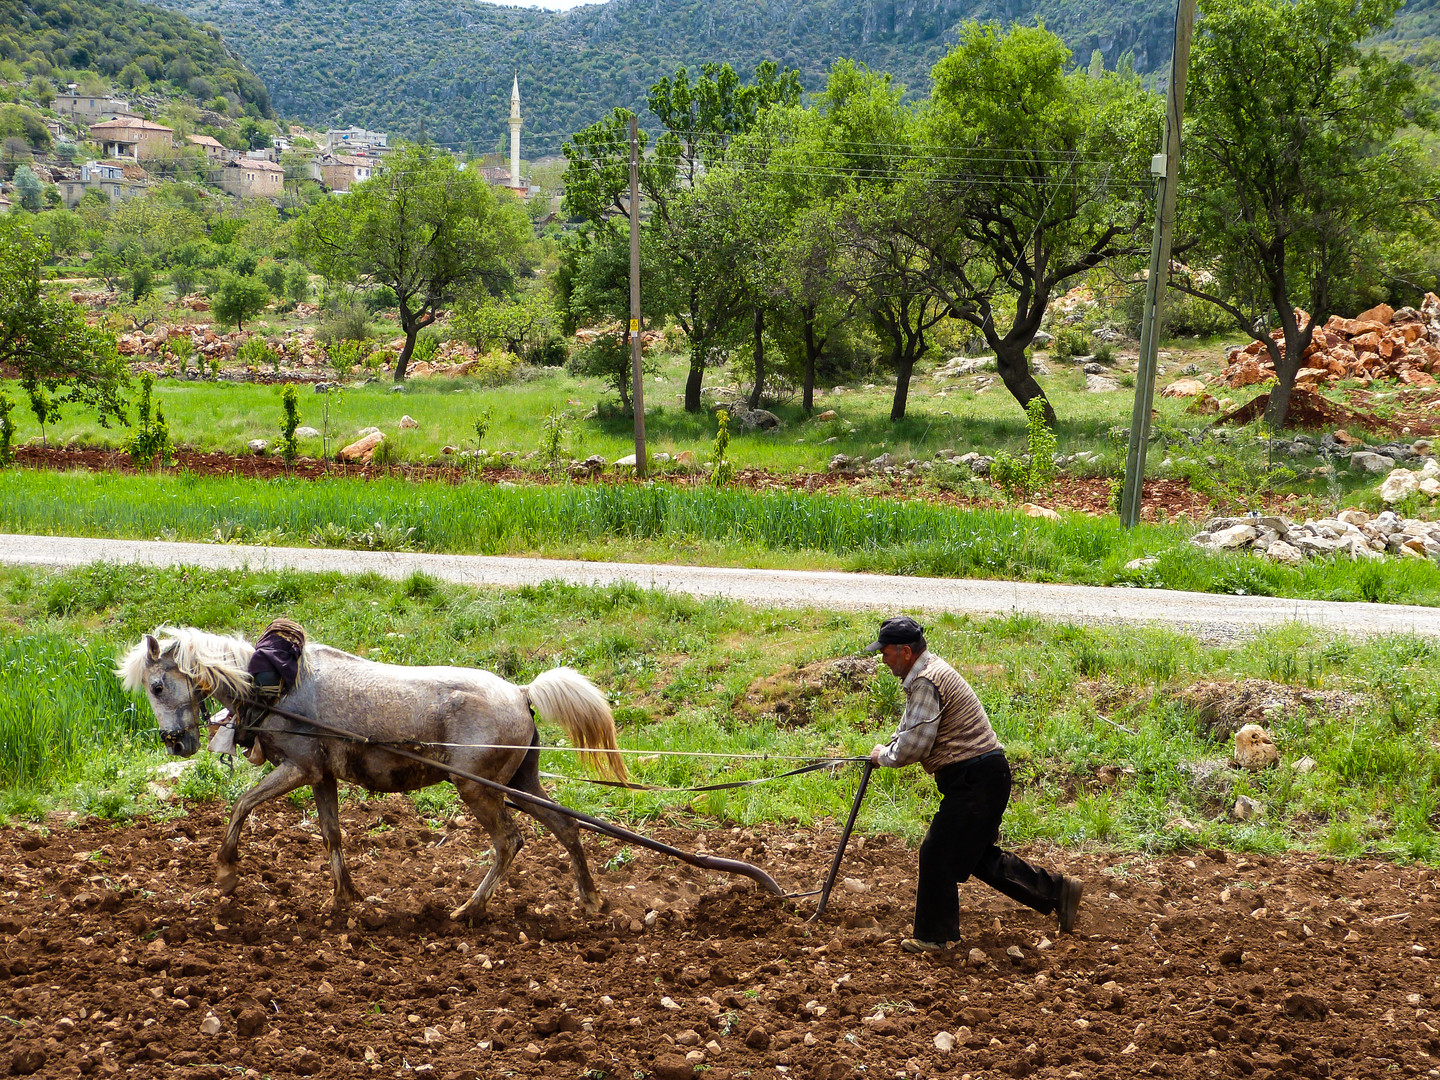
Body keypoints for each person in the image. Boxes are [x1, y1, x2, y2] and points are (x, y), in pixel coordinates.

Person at [865, 616, 1082, 952]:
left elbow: (916, 743)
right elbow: (909, 730)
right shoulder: (926, 673)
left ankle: (937, 937)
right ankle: (1056, 891)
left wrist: (885, 756)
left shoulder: (925, 680)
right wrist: (890, 748)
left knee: (937, 852)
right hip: (980, 776)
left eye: (886, 652)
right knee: (971, 855)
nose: (883, 658)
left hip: (975, 778)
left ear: (906, 651)